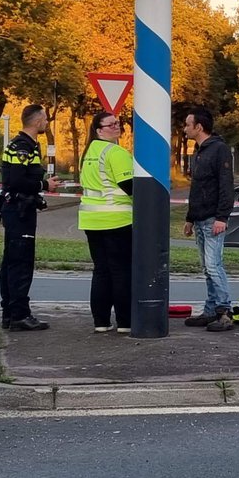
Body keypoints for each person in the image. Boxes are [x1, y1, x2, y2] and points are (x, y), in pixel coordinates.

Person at [0, 104, 61, 331]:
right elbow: (15, 181)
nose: (47, 123)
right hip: (19, 210)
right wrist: (44, 185)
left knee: (12, 262)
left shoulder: (29, 145)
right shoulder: (22, 147)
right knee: (20, 263)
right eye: (45, 119)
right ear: (36, 122)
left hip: (18, 209)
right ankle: (19, 315)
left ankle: (10, 313)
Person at [78, 113, 133, 333]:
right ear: (99, 130)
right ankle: (125, 322)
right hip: (117, 219)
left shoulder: (88, 153)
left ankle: (100, 321)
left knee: (101, 271)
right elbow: (130, 186)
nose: (116, 127)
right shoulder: (116, 152)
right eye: (111, 125)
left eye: (118, 124)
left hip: (91, 220)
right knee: (121, 272)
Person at [182, 106, 235, 332]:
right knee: (206, 267)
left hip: (213, 218)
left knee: (214, 265)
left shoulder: (218, 150)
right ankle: (211, 308)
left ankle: (224, 310)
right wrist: (190, 218)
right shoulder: (199, 151)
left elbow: (226, 185)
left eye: (187, 124)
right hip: (201, 217)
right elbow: (197, 187)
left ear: (199, 127)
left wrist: (222, 217)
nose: (184, 129)